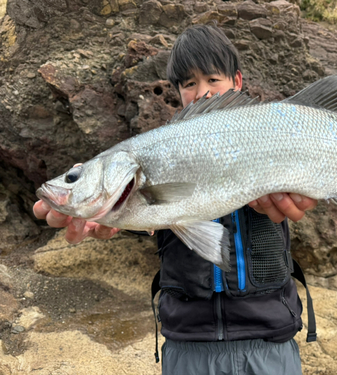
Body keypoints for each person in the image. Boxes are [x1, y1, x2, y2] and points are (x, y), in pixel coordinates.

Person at [33, 24, 317, 374]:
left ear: (237, 82)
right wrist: (105, 214)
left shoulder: (271, 138)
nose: (203, 92)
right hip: (187, 345)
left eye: (214, 79)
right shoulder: (156, 155)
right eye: (189, 84)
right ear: (177, 92)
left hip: (270, 340)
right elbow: (148, 218)